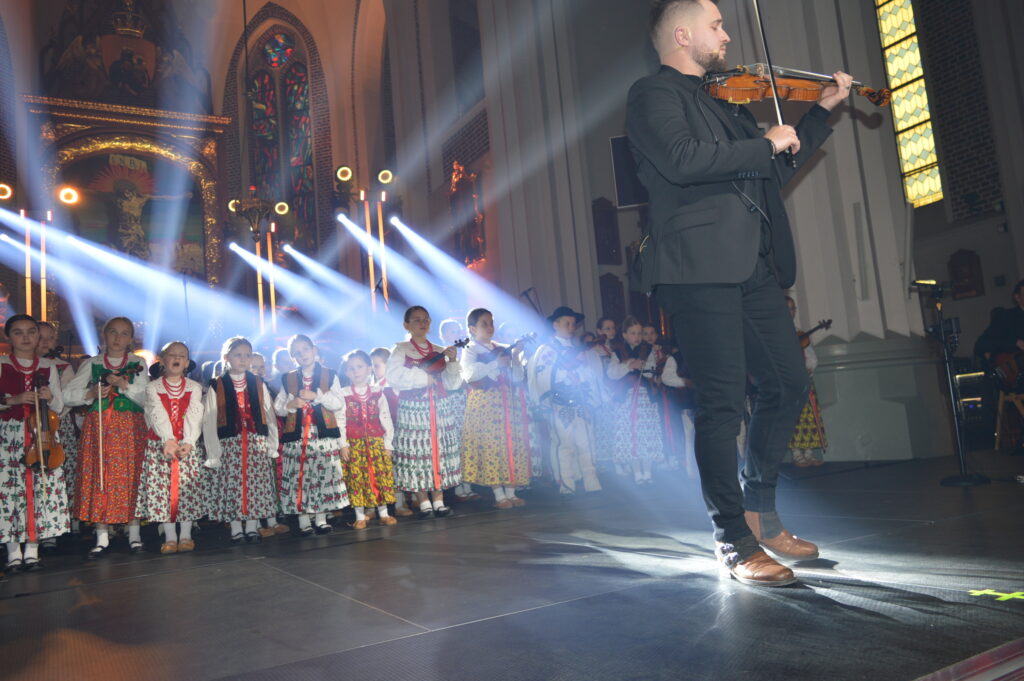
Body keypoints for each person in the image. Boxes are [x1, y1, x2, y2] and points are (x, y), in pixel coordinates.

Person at [626, 0, 852, 585]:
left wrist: (817, 117)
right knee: (723, 404)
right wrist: (764, 143)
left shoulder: (725, 106)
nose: (726, 35)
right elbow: (681, 160)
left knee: (788, 381)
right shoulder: (654, 95)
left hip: (752, 263)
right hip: (697, 266)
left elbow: (767, 172)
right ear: (682, 34)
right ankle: (732, 539)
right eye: (716, 25)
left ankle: (761, 510)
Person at [65, 316, 149, 558]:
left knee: (130, 476)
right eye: (113, 332)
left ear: (130, 339)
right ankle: (102, 536)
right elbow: (68, 395)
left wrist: (125, 386)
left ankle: (134, 535)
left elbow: (147, 398)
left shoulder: (137, 362)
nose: (117, 338)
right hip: (99, 428)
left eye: (124, 333)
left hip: (130, 428)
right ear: (105, 335)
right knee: (99, 477)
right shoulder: (92, 363)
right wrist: (90, 392)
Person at [0, 315, 69, 572]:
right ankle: (13, 551)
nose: (26, 337)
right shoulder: (2, 363)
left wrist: (50, 397)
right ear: (8, 336)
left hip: (43, 434)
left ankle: (32, 550)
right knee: (10, 492)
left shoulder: (49, 366)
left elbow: (60, 406)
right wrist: (13, 400)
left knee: (40, 489)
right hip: (10, 436)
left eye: (31, 332)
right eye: (18, 332)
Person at [385, 306, 464, 518]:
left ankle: (438, 498)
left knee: (438, 451)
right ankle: (422, 500)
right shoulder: (401, 350)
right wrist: (422, 378)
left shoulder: (439, 349)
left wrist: (453, 361)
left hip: (439, 406)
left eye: (426, 319)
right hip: (413, 409)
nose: (422, 323)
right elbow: (393, 376)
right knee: (418, 452)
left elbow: (453, 383)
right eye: (417, 320)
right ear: (407, 325)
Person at [202, 337, 279, 544]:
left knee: (256, 486)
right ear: (227, 358)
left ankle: (252, 526)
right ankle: (236, 527)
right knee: (234, 486)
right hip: (230, 445)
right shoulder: (217, 385)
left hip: (256, 443)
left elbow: (268, 414)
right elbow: (209, 420)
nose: (243, 360)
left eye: (247, 355)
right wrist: (213, 452)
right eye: (238, 355)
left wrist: (272, 443)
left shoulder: (257, 383)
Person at [274, 335, 350, 536]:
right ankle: (303, 520)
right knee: (302, 477)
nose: (303, 355)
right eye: (297, 353)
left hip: (321, 435)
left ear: (313, 349)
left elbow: (338, 403)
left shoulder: (329, 375)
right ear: (293, 357)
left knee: (321, 476)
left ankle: (321, 518)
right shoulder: (288, 378)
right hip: (297, 437)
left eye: (305, 349)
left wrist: (317, 396)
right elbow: (278, 407)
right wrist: (290, 405)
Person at [136, 342, 205, 554]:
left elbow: (195, 414)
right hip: (160, 446)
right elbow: (156, 414)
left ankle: (185, 535)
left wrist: (189, 442)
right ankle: (170, 536)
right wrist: (168, 439)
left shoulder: (194, 387)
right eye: (172, 355)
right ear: (163, 360)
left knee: (187, 490)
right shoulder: (153, 387)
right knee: (163, 493)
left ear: (186, 362)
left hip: (186, 445)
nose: (177, 358)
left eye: (182, 355)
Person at [460, 308, 532, 508]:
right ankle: (499, 494)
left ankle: (511, 491)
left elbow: (516, 377)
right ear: (472, 328)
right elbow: (470, 375)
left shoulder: (500, 347)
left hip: (506, 402)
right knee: (492, 446)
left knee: (511, 443)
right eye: (484, 323)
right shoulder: (470, 349)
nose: (490, 327)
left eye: (491, 323)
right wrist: (494, 364)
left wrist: (516, 356)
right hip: (485, 403)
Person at [528, 306, 603, 495]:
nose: (571, 327)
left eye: (573, 324)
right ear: (555, 325)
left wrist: (584, 379)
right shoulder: (546, 350)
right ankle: (566, 484)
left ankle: (591, 481)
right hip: (560, 403)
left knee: (586, 442)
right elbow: (541, 375)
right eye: (566, 323)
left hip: (581, 401)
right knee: (565, 444)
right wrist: (561, 379)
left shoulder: (579, 350)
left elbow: (590, 374)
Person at [339, 350, 397, 528]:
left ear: (369, 369)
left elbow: (385, 417)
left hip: (375, 442)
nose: (355, 371)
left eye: (359, 367)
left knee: (380, 476)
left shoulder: (378, 392)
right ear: (347, 372)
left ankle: (384, 513)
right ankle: (360, 515)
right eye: (351, 368)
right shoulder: (343, 394)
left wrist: (388, 443)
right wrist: (343, 444)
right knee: (357, 478)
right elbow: (340, 420)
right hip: (354, 443)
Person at [607, 316, 664, 484]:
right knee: (631, 433)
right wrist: (628, 366)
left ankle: (647, 471)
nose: (637, 337)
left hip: (645, 398)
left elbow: (652, 372)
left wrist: (644, 367)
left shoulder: (648, 350)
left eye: (639, 333)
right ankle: (637, 471)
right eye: (632, 333)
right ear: (624, 335)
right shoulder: (617, 351)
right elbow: (611, 373)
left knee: (645, 433)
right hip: (627, 398)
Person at [786, 297, 828, 466]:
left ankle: (809, 453)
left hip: (804, 379)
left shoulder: (799, 332)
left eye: (793, 308)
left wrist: (809, 366)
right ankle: (797, 454)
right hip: (789, 382)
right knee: (793, 419)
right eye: (787, 308)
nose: (791, 312)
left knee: (809, 417)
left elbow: (810, 354)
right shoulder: (777, 333)